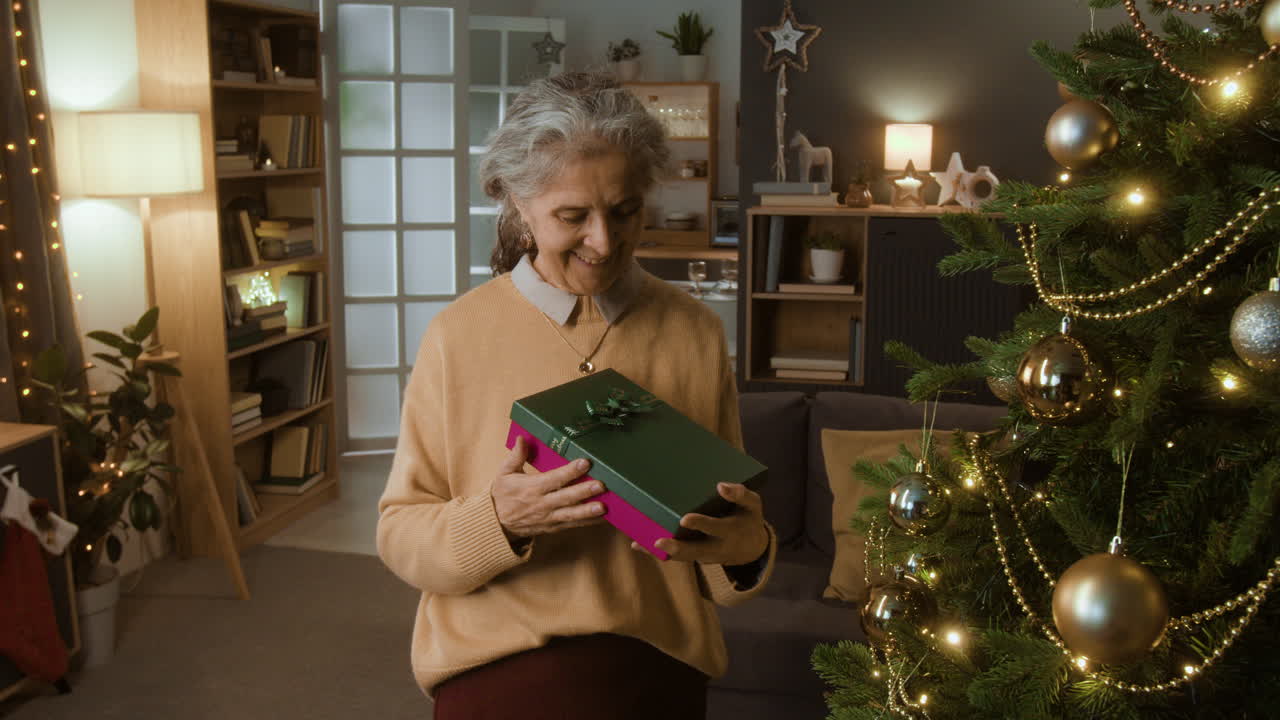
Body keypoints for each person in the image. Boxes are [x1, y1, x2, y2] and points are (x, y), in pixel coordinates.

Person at [376, 71, 776, 720]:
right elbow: (401, 535)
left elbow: (727, 528)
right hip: (495, 672)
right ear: (518, 205)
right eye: (573, 217)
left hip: (659, 669)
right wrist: (497, 521)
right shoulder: (456, 336)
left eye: (624, 211)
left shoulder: (696, 332)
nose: (604, 241)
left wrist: (747, 550)